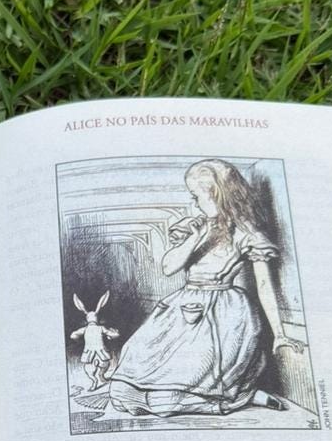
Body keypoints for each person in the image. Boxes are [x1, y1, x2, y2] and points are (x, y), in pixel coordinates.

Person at [106, 158, 304, 416]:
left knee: (167, 400)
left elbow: (265, 284)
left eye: (196, 196)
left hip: (223, 316)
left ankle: (240, 398)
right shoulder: (195, 226)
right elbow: (168, 267)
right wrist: (198, 235)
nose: (194, 203)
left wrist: (279, 334)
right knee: (120, 392)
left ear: (216, 195)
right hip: (182, 308)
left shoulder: (247, 235)